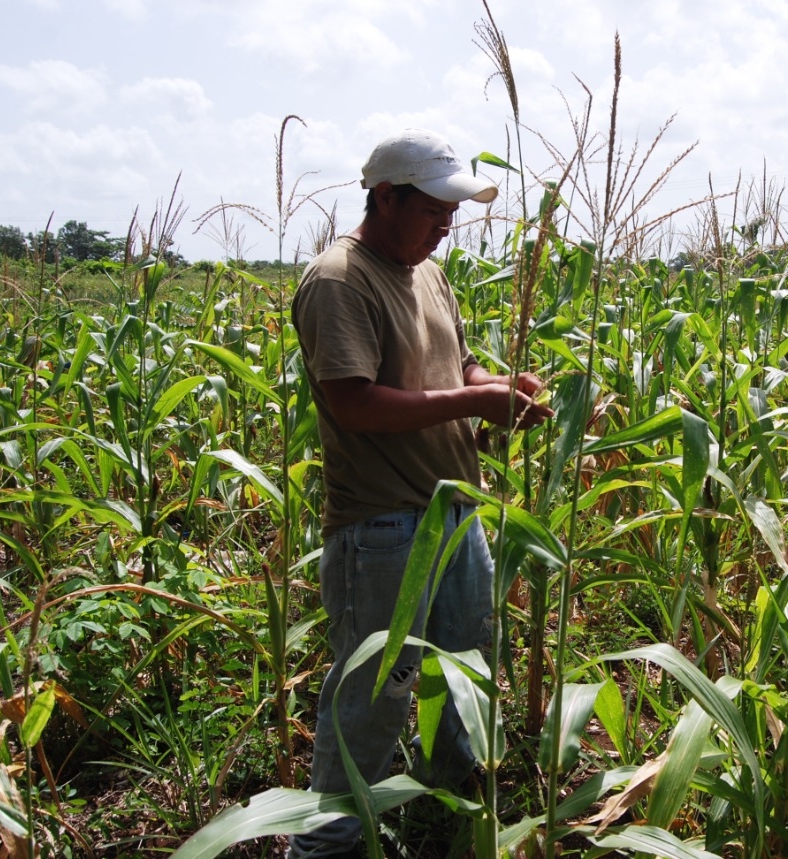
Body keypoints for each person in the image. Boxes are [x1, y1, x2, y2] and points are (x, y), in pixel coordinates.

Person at [287, 129, 552, 858]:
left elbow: (457, 367)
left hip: (453, 515)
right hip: (384, 531)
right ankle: (328, 844)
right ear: (384, 197)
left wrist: (501, 389)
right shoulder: (341, 278)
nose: (448, 223)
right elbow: (357, 404)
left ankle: (439, 808)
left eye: (453, 209)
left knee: (459, 671)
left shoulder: (429, 273)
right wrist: (473, 406)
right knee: (376, 694)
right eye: (435, 208)